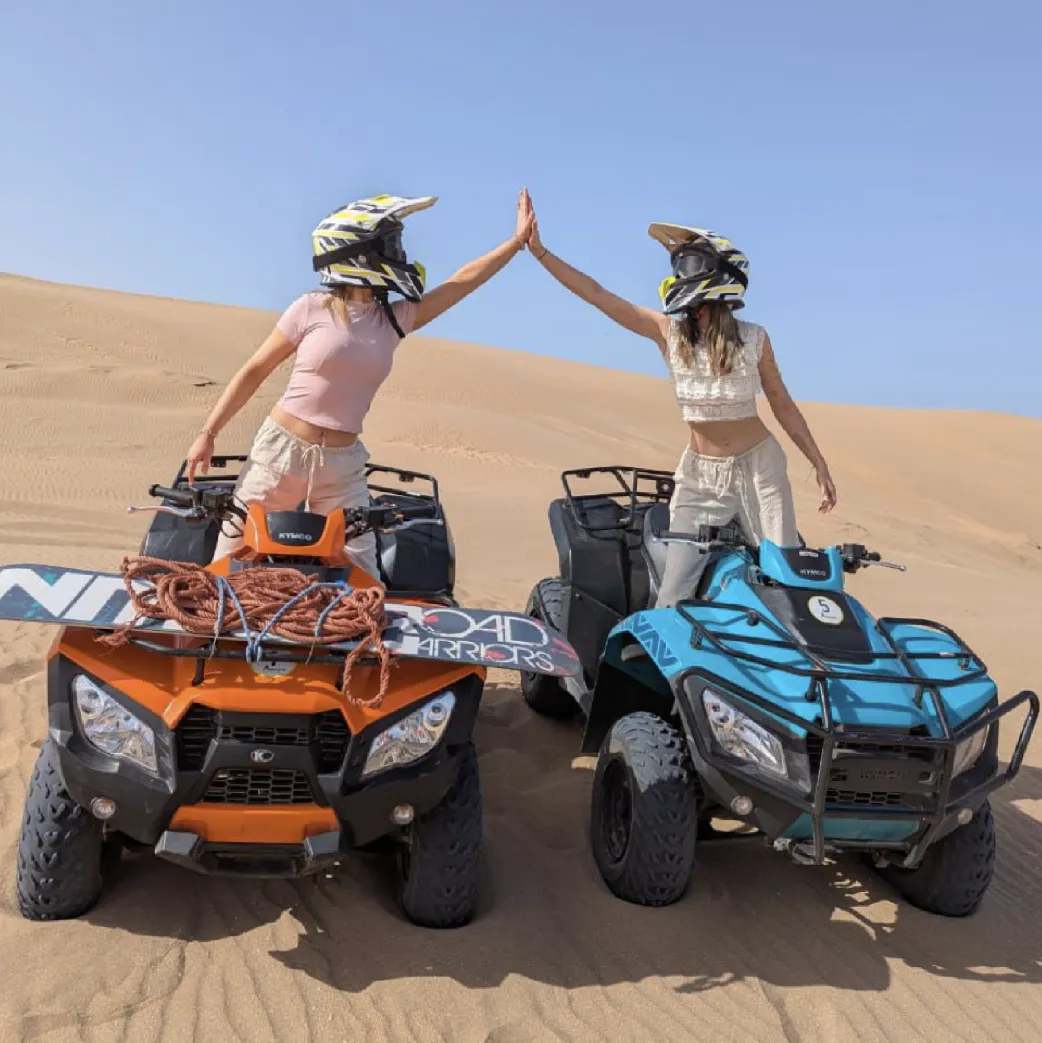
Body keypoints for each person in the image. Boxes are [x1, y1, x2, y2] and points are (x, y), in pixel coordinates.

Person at [185, 191, 535, 578]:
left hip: (342, 464)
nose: (398, 253)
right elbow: (254, 371)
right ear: (357, 252)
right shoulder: (310, 308)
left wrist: (516, 243)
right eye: (388, 244)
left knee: (363, 580)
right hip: (280, 455)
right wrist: (208, 432)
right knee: (227, 566)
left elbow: (462, 282)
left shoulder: (395, 318)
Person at [522, 190, 836, 607]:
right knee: (674, 594)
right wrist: (541, 252)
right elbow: (599, 295)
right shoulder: (668, 333)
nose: (679, 275)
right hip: (701, 477)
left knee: (786, 583)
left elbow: (782, 404)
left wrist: (817, 460)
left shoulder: (754, 338)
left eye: (689, 264)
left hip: (761, 469)